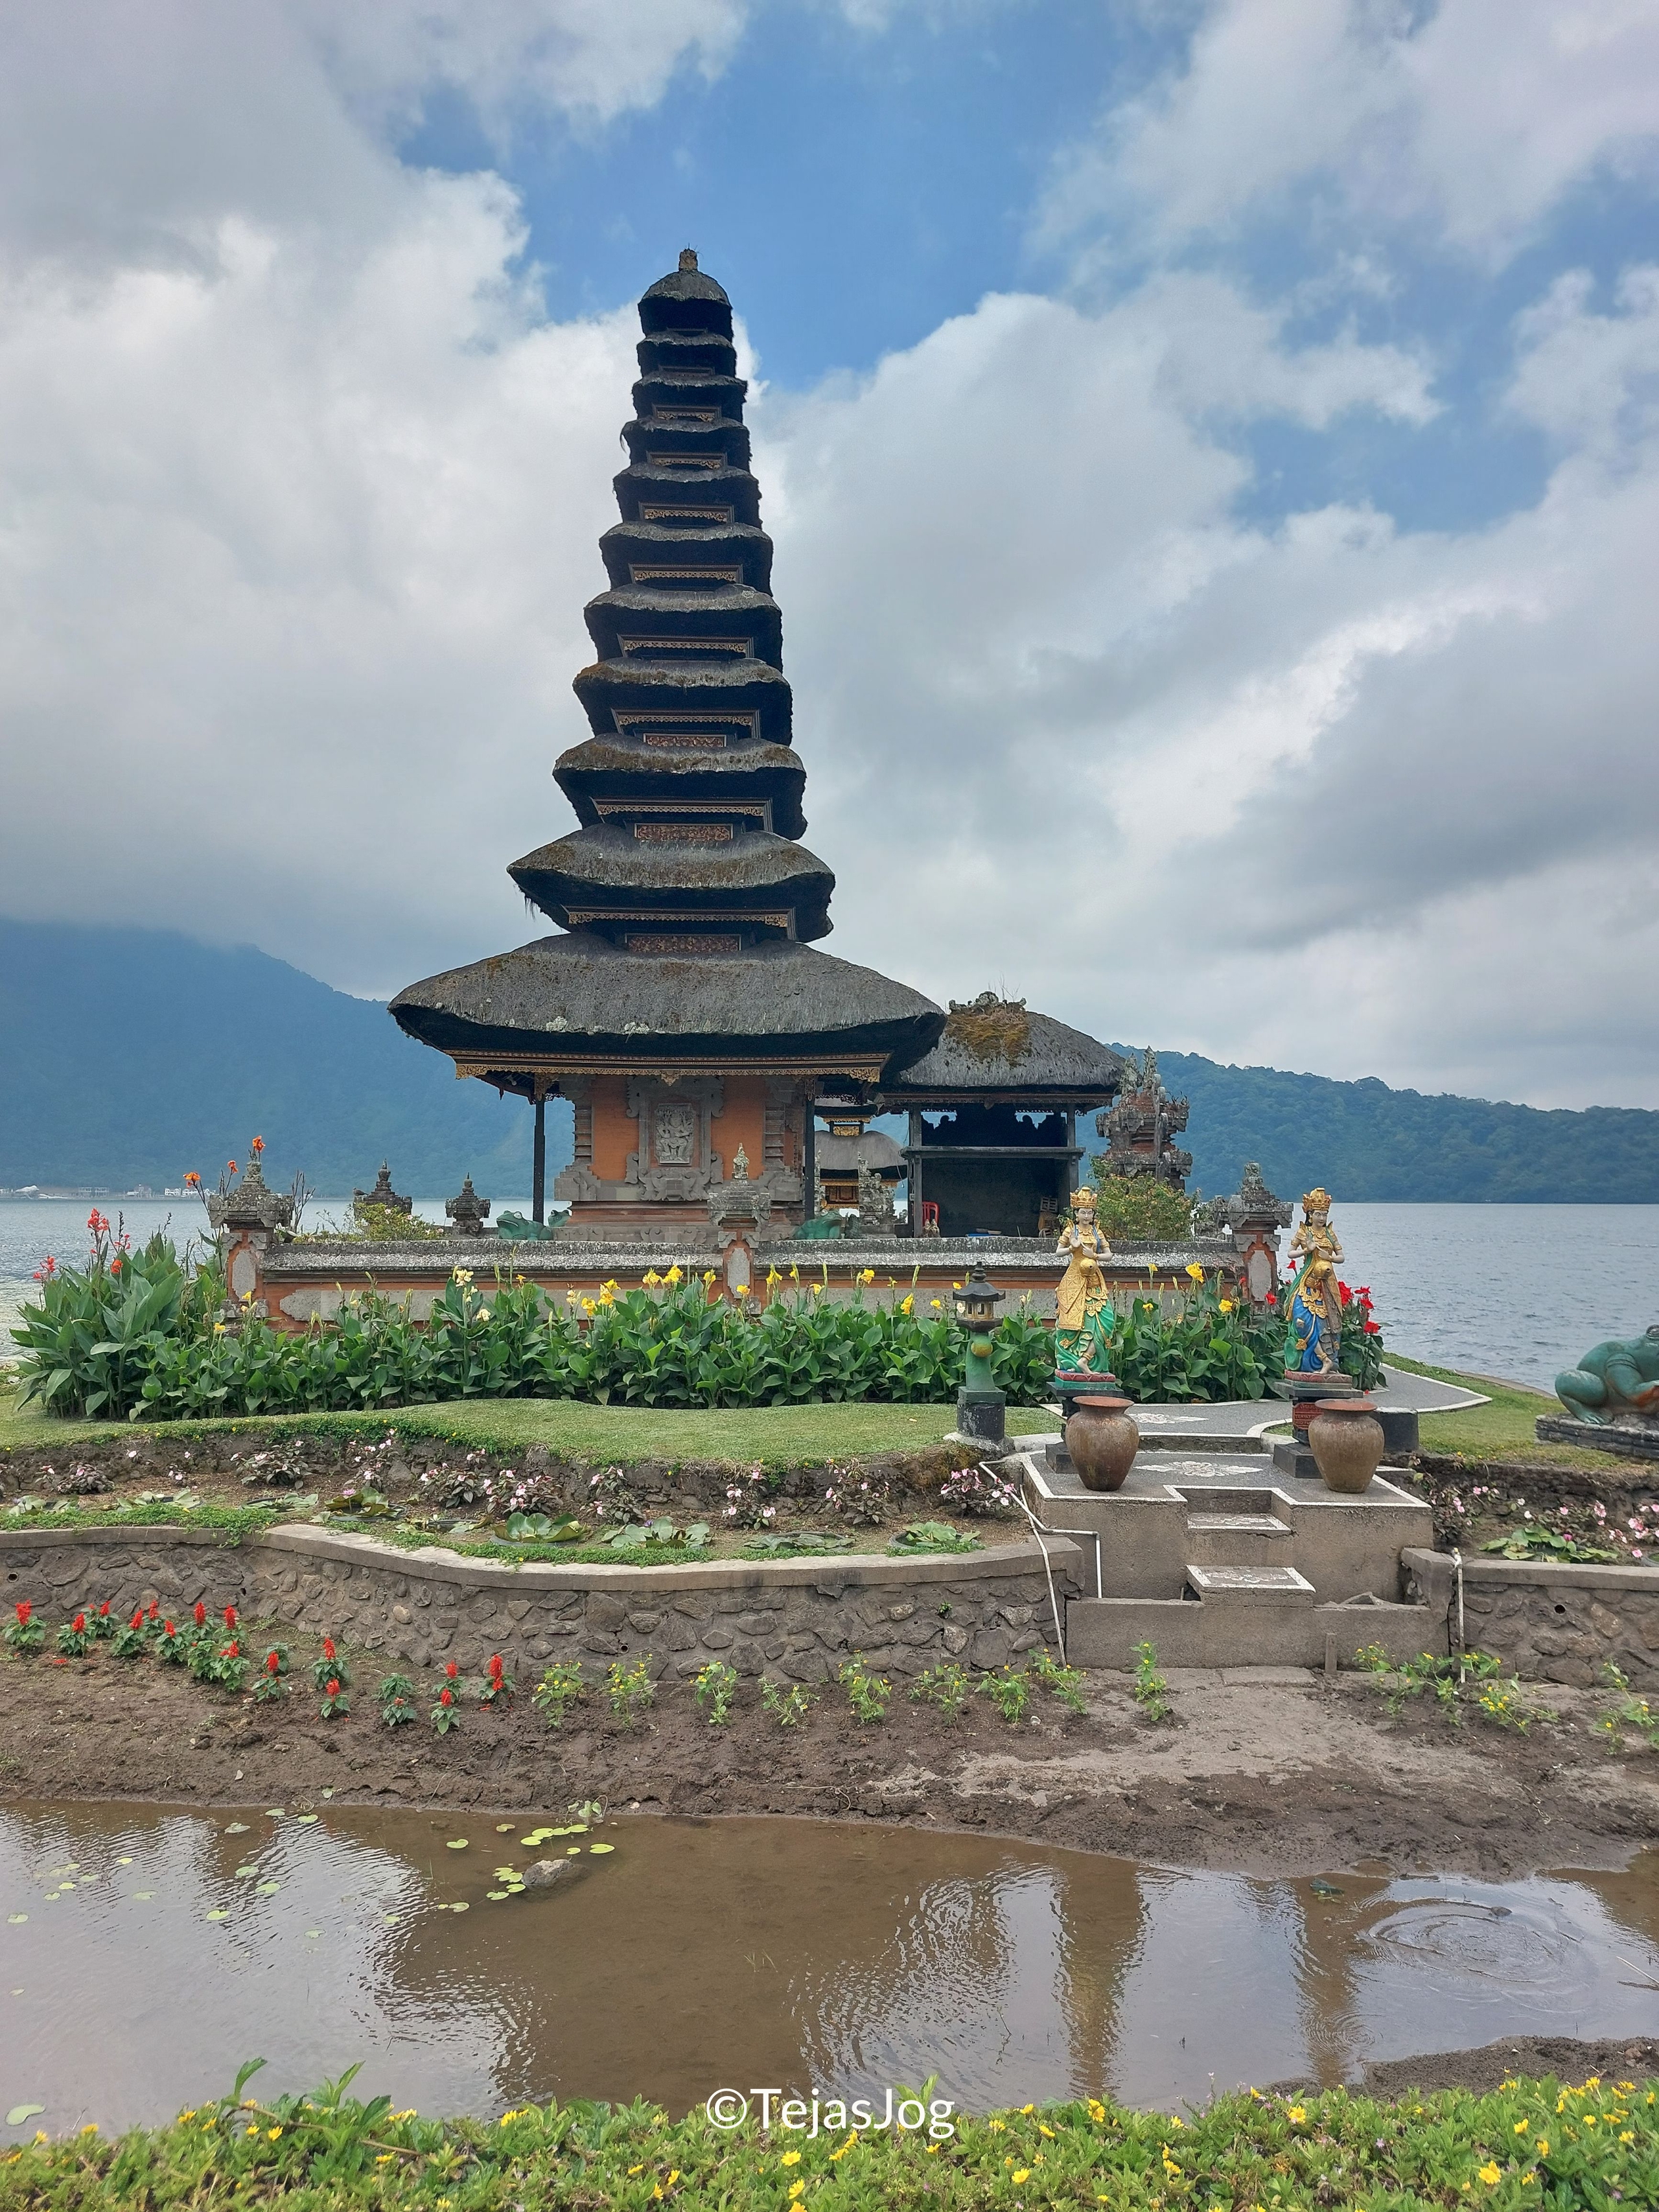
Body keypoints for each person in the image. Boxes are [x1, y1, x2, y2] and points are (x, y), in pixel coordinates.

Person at [1055, 1187, 1115, 1374]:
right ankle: (1074, 1359)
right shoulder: (1071, 1230)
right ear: (1077, 1213)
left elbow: (1109, 1255)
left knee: (1106, 1320)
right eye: (1083, 1212)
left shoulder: (1097, 1232)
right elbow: (1058, 1252)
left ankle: (1086, 1359)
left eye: (1090, 1213)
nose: (1087, 1216)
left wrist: (1094, 1256)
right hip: (1075, 1277)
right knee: (1078, 1321)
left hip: (1094, 1279)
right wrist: (1072, 1249)